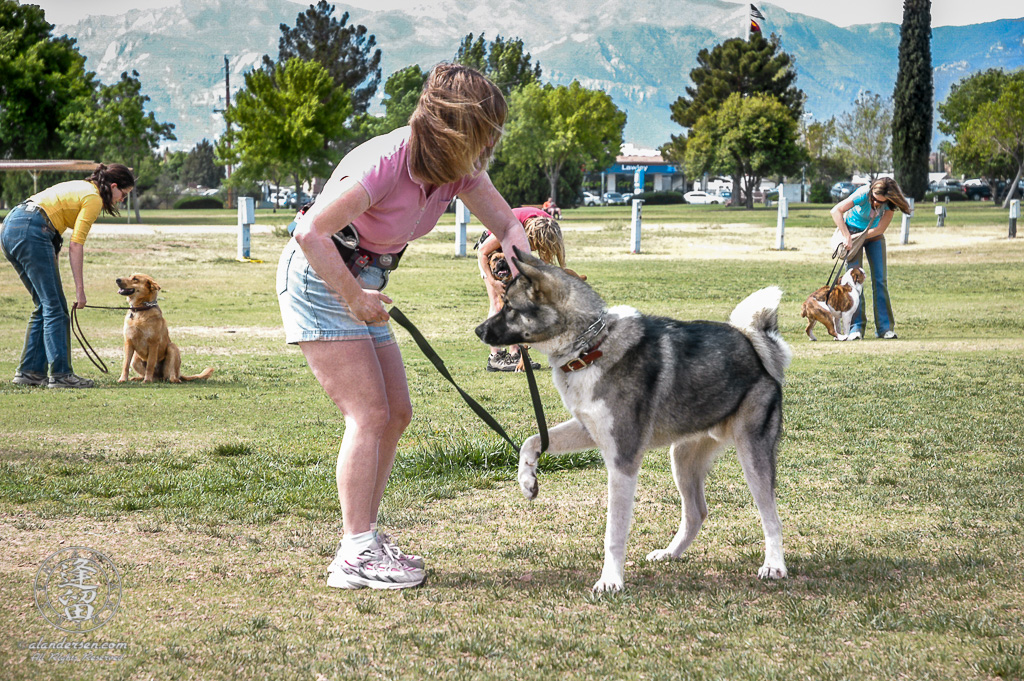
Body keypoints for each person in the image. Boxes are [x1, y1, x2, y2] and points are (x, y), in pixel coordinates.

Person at [277, 63, 532, 590]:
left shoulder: (458, 171)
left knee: (396, 412)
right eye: (485, 132)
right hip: (323, 278)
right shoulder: (385, 163)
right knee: (368, 413)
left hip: (364, 277)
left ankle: (365, 538)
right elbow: (309, 232)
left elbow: (506, 223)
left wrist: (520, 256)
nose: (490, 146)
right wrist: (352, 296)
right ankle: (353, 556)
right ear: (454, 129)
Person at [1, 164, 135, 388]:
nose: (122, 200)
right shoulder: (93, 198)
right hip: (32, 228)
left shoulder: (82, 187)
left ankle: (30, 372)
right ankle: (62, 375)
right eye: (124, 194)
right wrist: (80, 291)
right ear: (113, 186)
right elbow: (76, 245)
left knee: (45, 305)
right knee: (55, 307)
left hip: (11, 227)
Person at [476, 206, 564, 371]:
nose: (537, 248)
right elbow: (482, 252)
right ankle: (495, 357)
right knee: (497, 303)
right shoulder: (511, 227)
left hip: (511, 250)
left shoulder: (548, 225)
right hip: (489, 251)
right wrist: (493, 281)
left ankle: (516, 354)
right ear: (529, 235)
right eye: (535, 245)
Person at [829, 177, 911, 340]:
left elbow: (880, 228)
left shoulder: (889, 203)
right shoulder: (862, 193)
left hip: (874, 235)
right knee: (852, 283)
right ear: (871, 191)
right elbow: (836, 211)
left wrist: (860, 236)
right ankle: (856, 327)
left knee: (880, 280)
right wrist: (847, 236)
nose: (875, 203)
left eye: (880, 201)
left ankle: (885, 328)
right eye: (873, 198)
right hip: (851, 232)